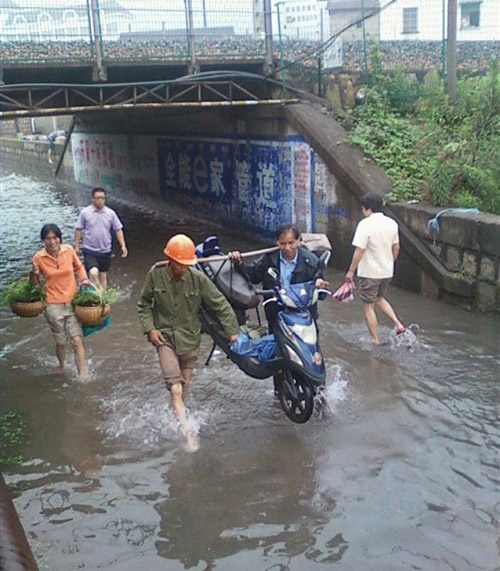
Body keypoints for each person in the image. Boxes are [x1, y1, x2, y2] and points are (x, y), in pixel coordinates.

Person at [137, 234, 239, 452]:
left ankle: (174, 414)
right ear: (170, 260)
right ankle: (188, 434)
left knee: (184, 386)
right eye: (180, 264)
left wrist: (232, 332)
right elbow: (143, 304)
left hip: (190, 338)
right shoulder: (155, 275)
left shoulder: (198, 279)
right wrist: (150, 329)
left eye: (186, 265)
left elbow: (220, 304)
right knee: (175, 388)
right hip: (164, 338)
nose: (183, 268)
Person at [229, 223, 328, 394]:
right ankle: (280, 393)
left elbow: (321, 287)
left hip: (304, 318)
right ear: (276, 242)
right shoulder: (269, 259)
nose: (287, 248)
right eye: (283, 244)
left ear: (299, 241)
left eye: (291, 243)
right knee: (279, 354)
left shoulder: (309, 260)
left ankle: (321, 395)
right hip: (277, 317)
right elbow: (251, 275)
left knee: (313, 353)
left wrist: (318, 284)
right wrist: (238, 262)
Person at [30, 223, 90, 382]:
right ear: (43, 240)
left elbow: (79, 267)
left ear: (59, 238)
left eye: (54, 238)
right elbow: (34, 286)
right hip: (52, 305)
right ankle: (62, 365)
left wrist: (84, 279)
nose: (51, 242)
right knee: (61, 342)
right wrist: (34, 275)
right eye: (48, 238)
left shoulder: (69, 250)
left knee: (76, 340)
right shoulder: (38, 258)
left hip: (72, 301)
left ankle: (82, 374)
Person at [345, 193, 405, 345]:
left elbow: (359, 250)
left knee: (368, 306)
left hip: (370, 272)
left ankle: (374, 339)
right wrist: (390, 262)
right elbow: (396, 247)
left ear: (367, 209)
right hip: (387, 271)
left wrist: (351, 271)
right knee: (378, 298)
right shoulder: (392, 223)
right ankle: (398, 324)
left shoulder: (365, 224)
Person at [74, 187, 128, 290]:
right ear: (92, 199)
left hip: (105, 250)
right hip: (89, 249)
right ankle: (99, 294)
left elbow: (118, 229)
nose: (100, 200)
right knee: (93, 273)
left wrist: (123, 246)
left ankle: (102, 299)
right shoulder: (85, 212)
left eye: (102, 198)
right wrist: (76, 245)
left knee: (103, 276)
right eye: (97, 198)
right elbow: (79, 229)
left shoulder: (110, 213)